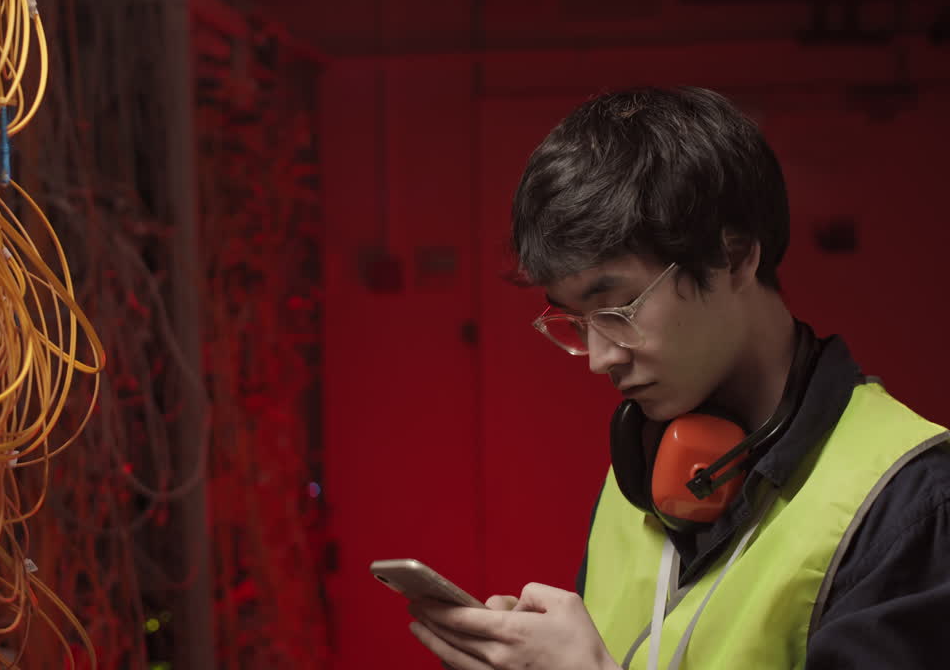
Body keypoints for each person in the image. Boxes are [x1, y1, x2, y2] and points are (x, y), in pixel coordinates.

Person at [406, 87, 950, 669]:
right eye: (576, 320)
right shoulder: (639, 469)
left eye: (616, 309)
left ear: (735, 256)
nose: (599, 358)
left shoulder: (912, 501)